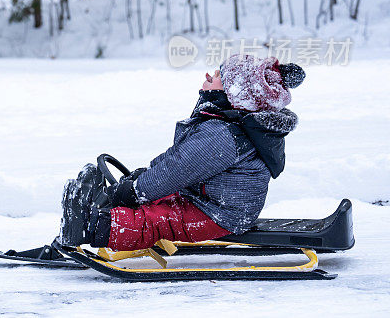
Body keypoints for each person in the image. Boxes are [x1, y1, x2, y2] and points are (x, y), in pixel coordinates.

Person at [58, 53, 306, 251]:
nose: (211, 74)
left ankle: (92, 227)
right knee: (158, 198)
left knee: (159, 220)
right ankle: (97, 210)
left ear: (234, 95)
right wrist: (140, 177)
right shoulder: (224, 123)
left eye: (220, 75)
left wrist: (134, 191)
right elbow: (176, 158)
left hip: (220, 213)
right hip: (207, 198)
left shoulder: (225, 135)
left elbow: (177, 169)